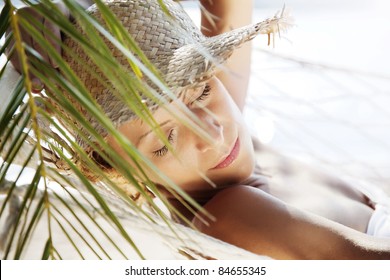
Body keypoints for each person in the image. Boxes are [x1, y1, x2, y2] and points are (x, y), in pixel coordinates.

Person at [7, 0, 390, 259]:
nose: (211, 131)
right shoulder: (227, 214)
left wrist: (55, 7)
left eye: (202, 90)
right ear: (125, 175)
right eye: (165, 141)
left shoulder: (227, 148)